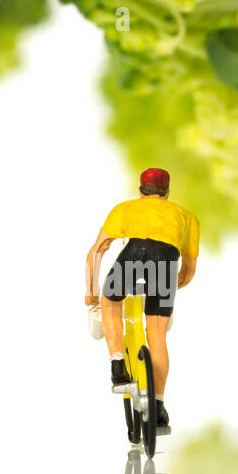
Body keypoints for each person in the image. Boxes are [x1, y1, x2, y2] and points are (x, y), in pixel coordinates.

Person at [85, 168, 199, 430]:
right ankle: (158, 407)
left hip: (135, 253)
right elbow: (188, 271)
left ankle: (117, 367)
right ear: (167, 193)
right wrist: (169, 285)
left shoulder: (125, 208)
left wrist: (91, 290)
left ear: (140, 191)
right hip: (167, 260)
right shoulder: (186, 217)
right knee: (157, 336)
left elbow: (97, 251)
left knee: (110, 301)